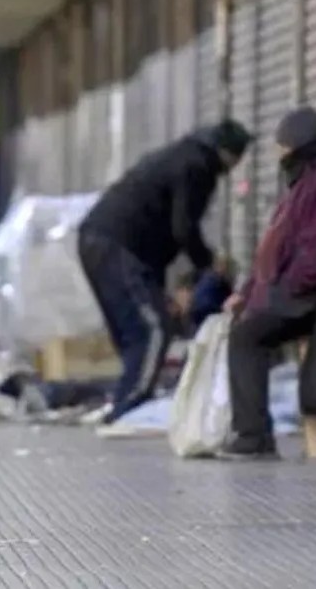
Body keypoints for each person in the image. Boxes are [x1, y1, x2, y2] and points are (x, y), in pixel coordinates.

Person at [78, 120, 254, 426]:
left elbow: (163, 235)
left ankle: (129, 398)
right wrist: (209, 264)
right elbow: (183, 228)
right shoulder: (198, 166)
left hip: (102, 242)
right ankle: (129, 409)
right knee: (153, 330)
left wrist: (165, 289)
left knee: (135, 331)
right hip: (116, 245)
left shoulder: (182, 156)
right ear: (229, 153)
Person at [220, 106, 316, 459]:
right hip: (298, 293)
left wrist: (282, 293)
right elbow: (273, 253)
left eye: (281, 144)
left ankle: (253, 439)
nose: (277, 153)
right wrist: (248, 293)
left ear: (295, 144)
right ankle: (253, 434)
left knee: (247, 336)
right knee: (245, 328)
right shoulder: (303, 184)